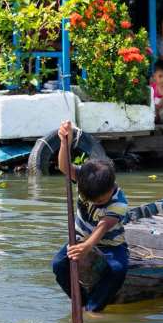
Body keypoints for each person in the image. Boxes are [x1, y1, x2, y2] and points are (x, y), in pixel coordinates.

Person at [52, 121, 130, 313]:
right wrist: (64, 142)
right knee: (58, 265)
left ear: (111, 188)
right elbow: (64, 166)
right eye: (91, 200)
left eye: (99, 200)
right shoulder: (86, 179)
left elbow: (102, 228)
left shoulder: (119, 203)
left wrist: (87, 247)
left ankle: (94, 308)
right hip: (79, 237)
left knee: (117, 271)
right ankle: (81, 301)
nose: (95, 203)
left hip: (110, 244)